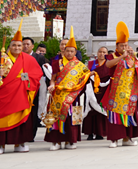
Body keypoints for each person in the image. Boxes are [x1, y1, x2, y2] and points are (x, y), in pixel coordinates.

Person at [0, 26, 43, 154]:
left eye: (19, 45)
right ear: (9, 46)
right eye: (14, 45)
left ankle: (19, 143)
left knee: (21, 120)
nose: (17, 48)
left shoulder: (29, 59)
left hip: (21, 94)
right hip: (4, 94)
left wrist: (21, 79)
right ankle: (1, 144)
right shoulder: (3, 59)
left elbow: (36, 75)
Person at [44, 30, 90, 151]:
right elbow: (53, 78)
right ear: (63, 51)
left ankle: (71, 140)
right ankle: (56, 141)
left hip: (73, 96)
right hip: (58, 94)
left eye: (71, 51)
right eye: (67, 51)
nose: (69, 53)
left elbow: (84, 80)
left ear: (75, 52)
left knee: (72, 117)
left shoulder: (80, 65)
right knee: (56, 116)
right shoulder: (56, 63)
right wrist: (51, 85)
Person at [102, 22, 138, 148]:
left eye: (126, 45)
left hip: (129, 90)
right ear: (117, 46)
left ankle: (127, 138)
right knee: (114, 114)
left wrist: (134, 56)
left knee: (129, 113)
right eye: (121, 45)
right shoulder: (112, 56)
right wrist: (122, 57)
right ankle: (114, 140)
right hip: (116, 90)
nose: (124, 47)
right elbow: (108, 65)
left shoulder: (131, 57)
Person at [83, 46, 109, 141]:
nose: (102, 54)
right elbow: (84, 74)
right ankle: (89, 133)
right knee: (90, 110)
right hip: (91, 90)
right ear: (97, 53)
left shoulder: (109, 63)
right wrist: (90, 74)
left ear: (107, 54)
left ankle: (100, 133)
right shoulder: (91, 63)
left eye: (104, 52)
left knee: (101, 110)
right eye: (100, 52)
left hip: (104, 90)